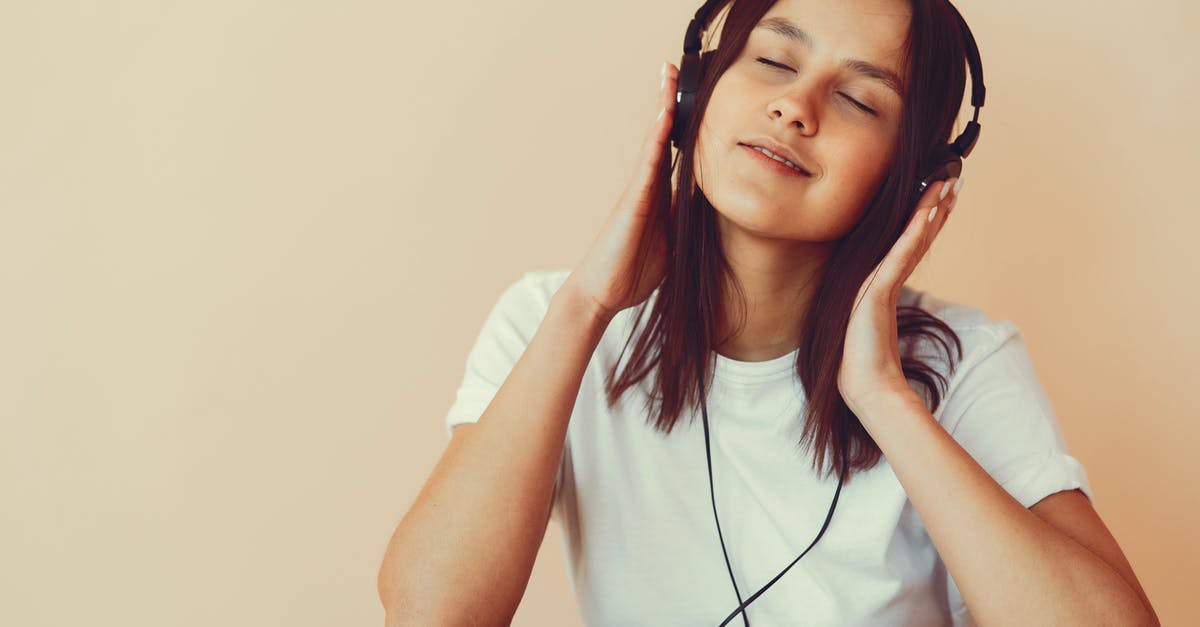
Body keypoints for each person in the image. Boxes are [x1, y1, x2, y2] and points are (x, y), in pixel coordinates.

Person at [378, 0, 1159, 625]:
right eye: (775, 61)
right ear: (693, 93)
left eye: (856, 97)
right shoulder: (553, 319)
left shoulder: (965, 362)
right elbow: (430, 611)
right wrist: (586, 305)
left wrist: (885, 397)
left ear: (916, 178)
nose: (795, 106)